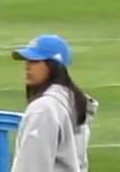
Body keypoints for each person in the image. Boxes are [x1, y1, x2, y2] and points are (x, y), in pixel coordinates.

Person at [10, 34, 98, 172]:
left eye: (35, 61)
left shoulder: (43, 108)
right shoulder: (74, 102)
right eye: (27, 61)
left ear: (53, 65)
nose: (27, 67)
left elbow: (32, 166)